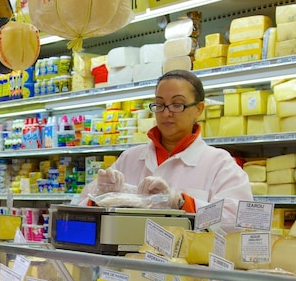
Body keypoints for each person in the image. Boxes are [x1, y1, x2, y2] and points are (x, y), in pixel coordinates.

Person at [79, 70, 253, 232]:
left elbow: (237, 221)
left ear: (198, 109)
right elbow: (76, 208)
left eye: (177, 105)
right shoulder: (129, 158)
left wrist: (182, 203)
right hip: (128, 262)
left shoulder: (219, 163)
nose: (166, 113)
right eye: (160, 104)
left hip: (186, 264)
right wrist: (98, 199)